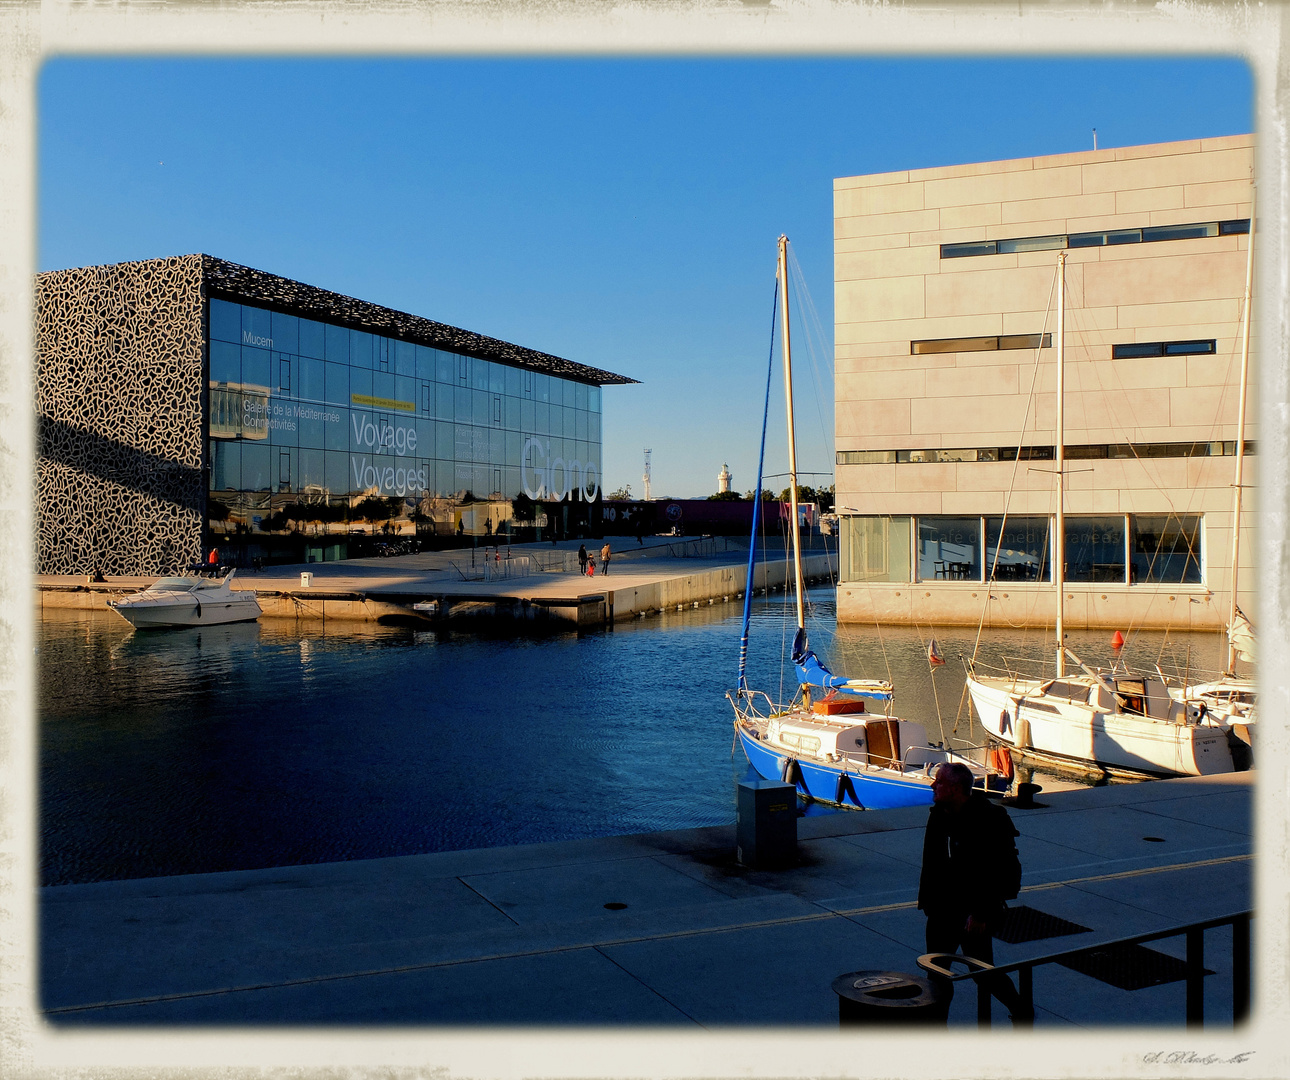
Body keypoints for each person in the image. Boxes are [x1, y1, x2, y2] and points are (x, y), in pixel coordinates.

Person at [917, 762, 1031, 1024]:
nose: (933, 785)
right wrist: (928, 902)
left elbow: (1003, 871)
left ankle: (1021, 1010)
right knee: (936, 972)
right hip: (941, 909)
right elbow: (932, 863)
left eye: (939, 782)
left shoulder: (989, 818)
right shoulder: (938, 814)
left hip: (973, 911)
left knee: (982, 971)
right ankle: (937, 1028)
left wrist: (981, 913)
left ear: (956, 788)